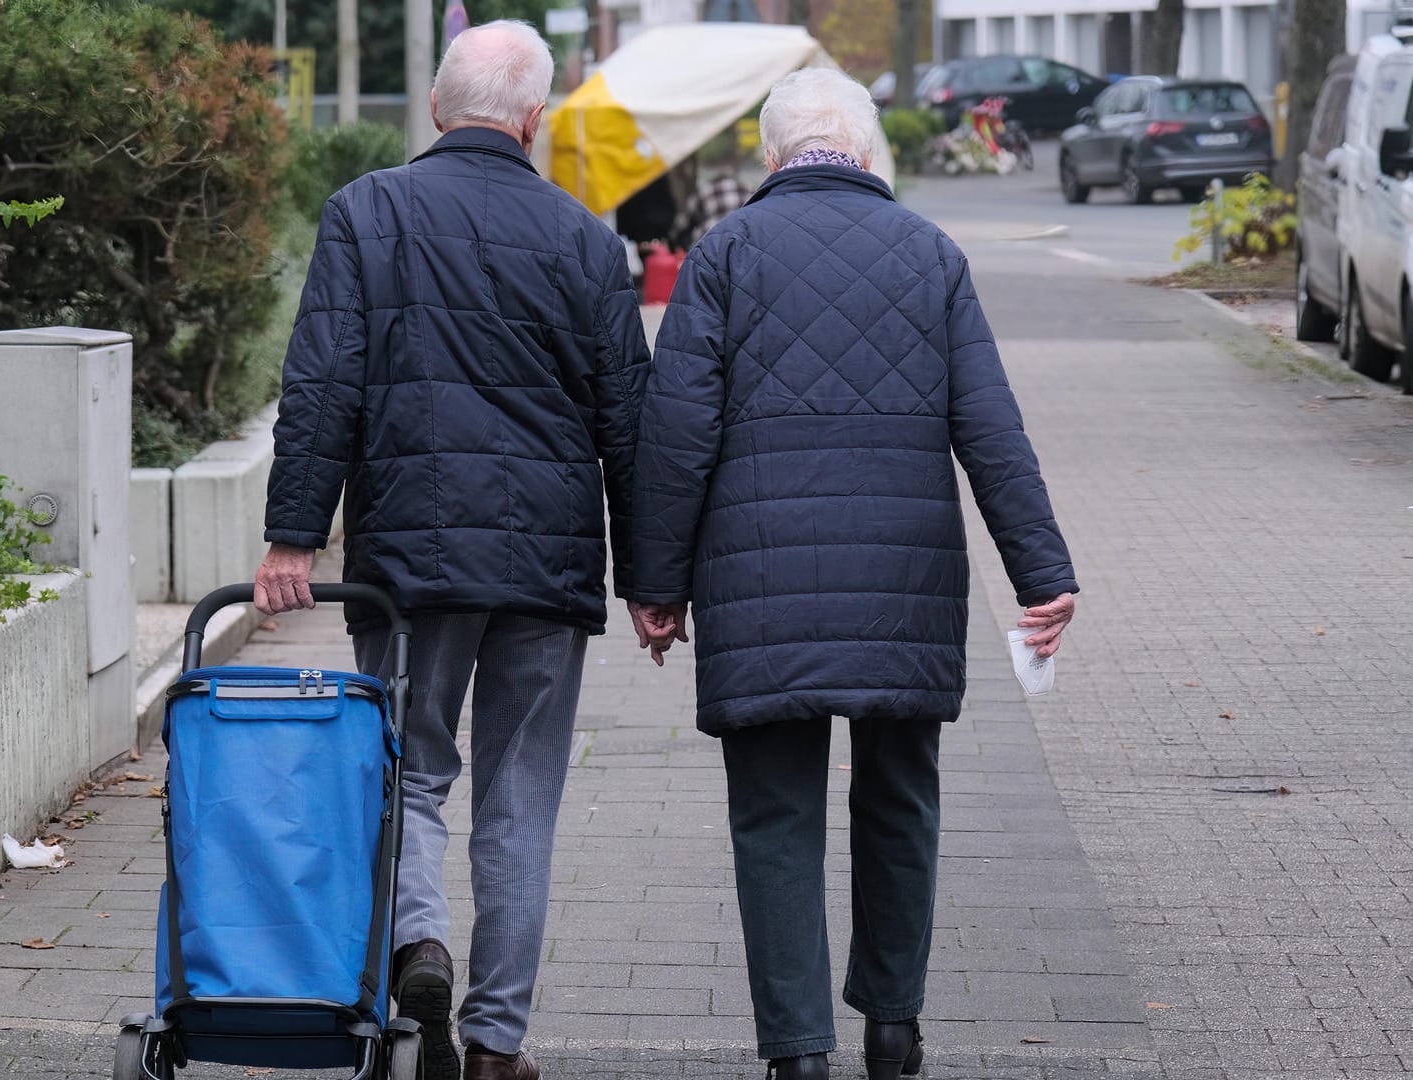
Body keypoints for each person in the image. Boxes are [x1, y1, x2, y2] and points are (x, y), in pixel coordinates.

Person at [629, 68, 1078, 1080]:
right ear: (869, 152)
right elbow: (990, 429)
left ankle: (797, 1053)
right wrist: (1041, 572)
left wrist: (656, 589)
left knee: (775, 811)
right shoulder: (931, 255)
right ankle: (893, 1023)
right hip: (903, 582)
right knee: (900, 794)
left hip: (758, 587)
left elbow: (675, 437)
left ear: (772, 154)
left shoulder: (724, 257)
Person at [253, 21, 652, 1080]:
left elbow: (323, 382)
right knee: (521, 800)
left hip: (408, 568)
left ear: (435, 107)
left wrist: (293, 536)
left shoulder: (366, 212)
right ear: (533, 120)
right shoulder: (584, 240)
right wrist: (656, 584)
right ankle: (493, 1045)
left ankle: (418, 940)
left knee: (410, 770)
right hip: (547, 568)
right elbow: (631, 423)